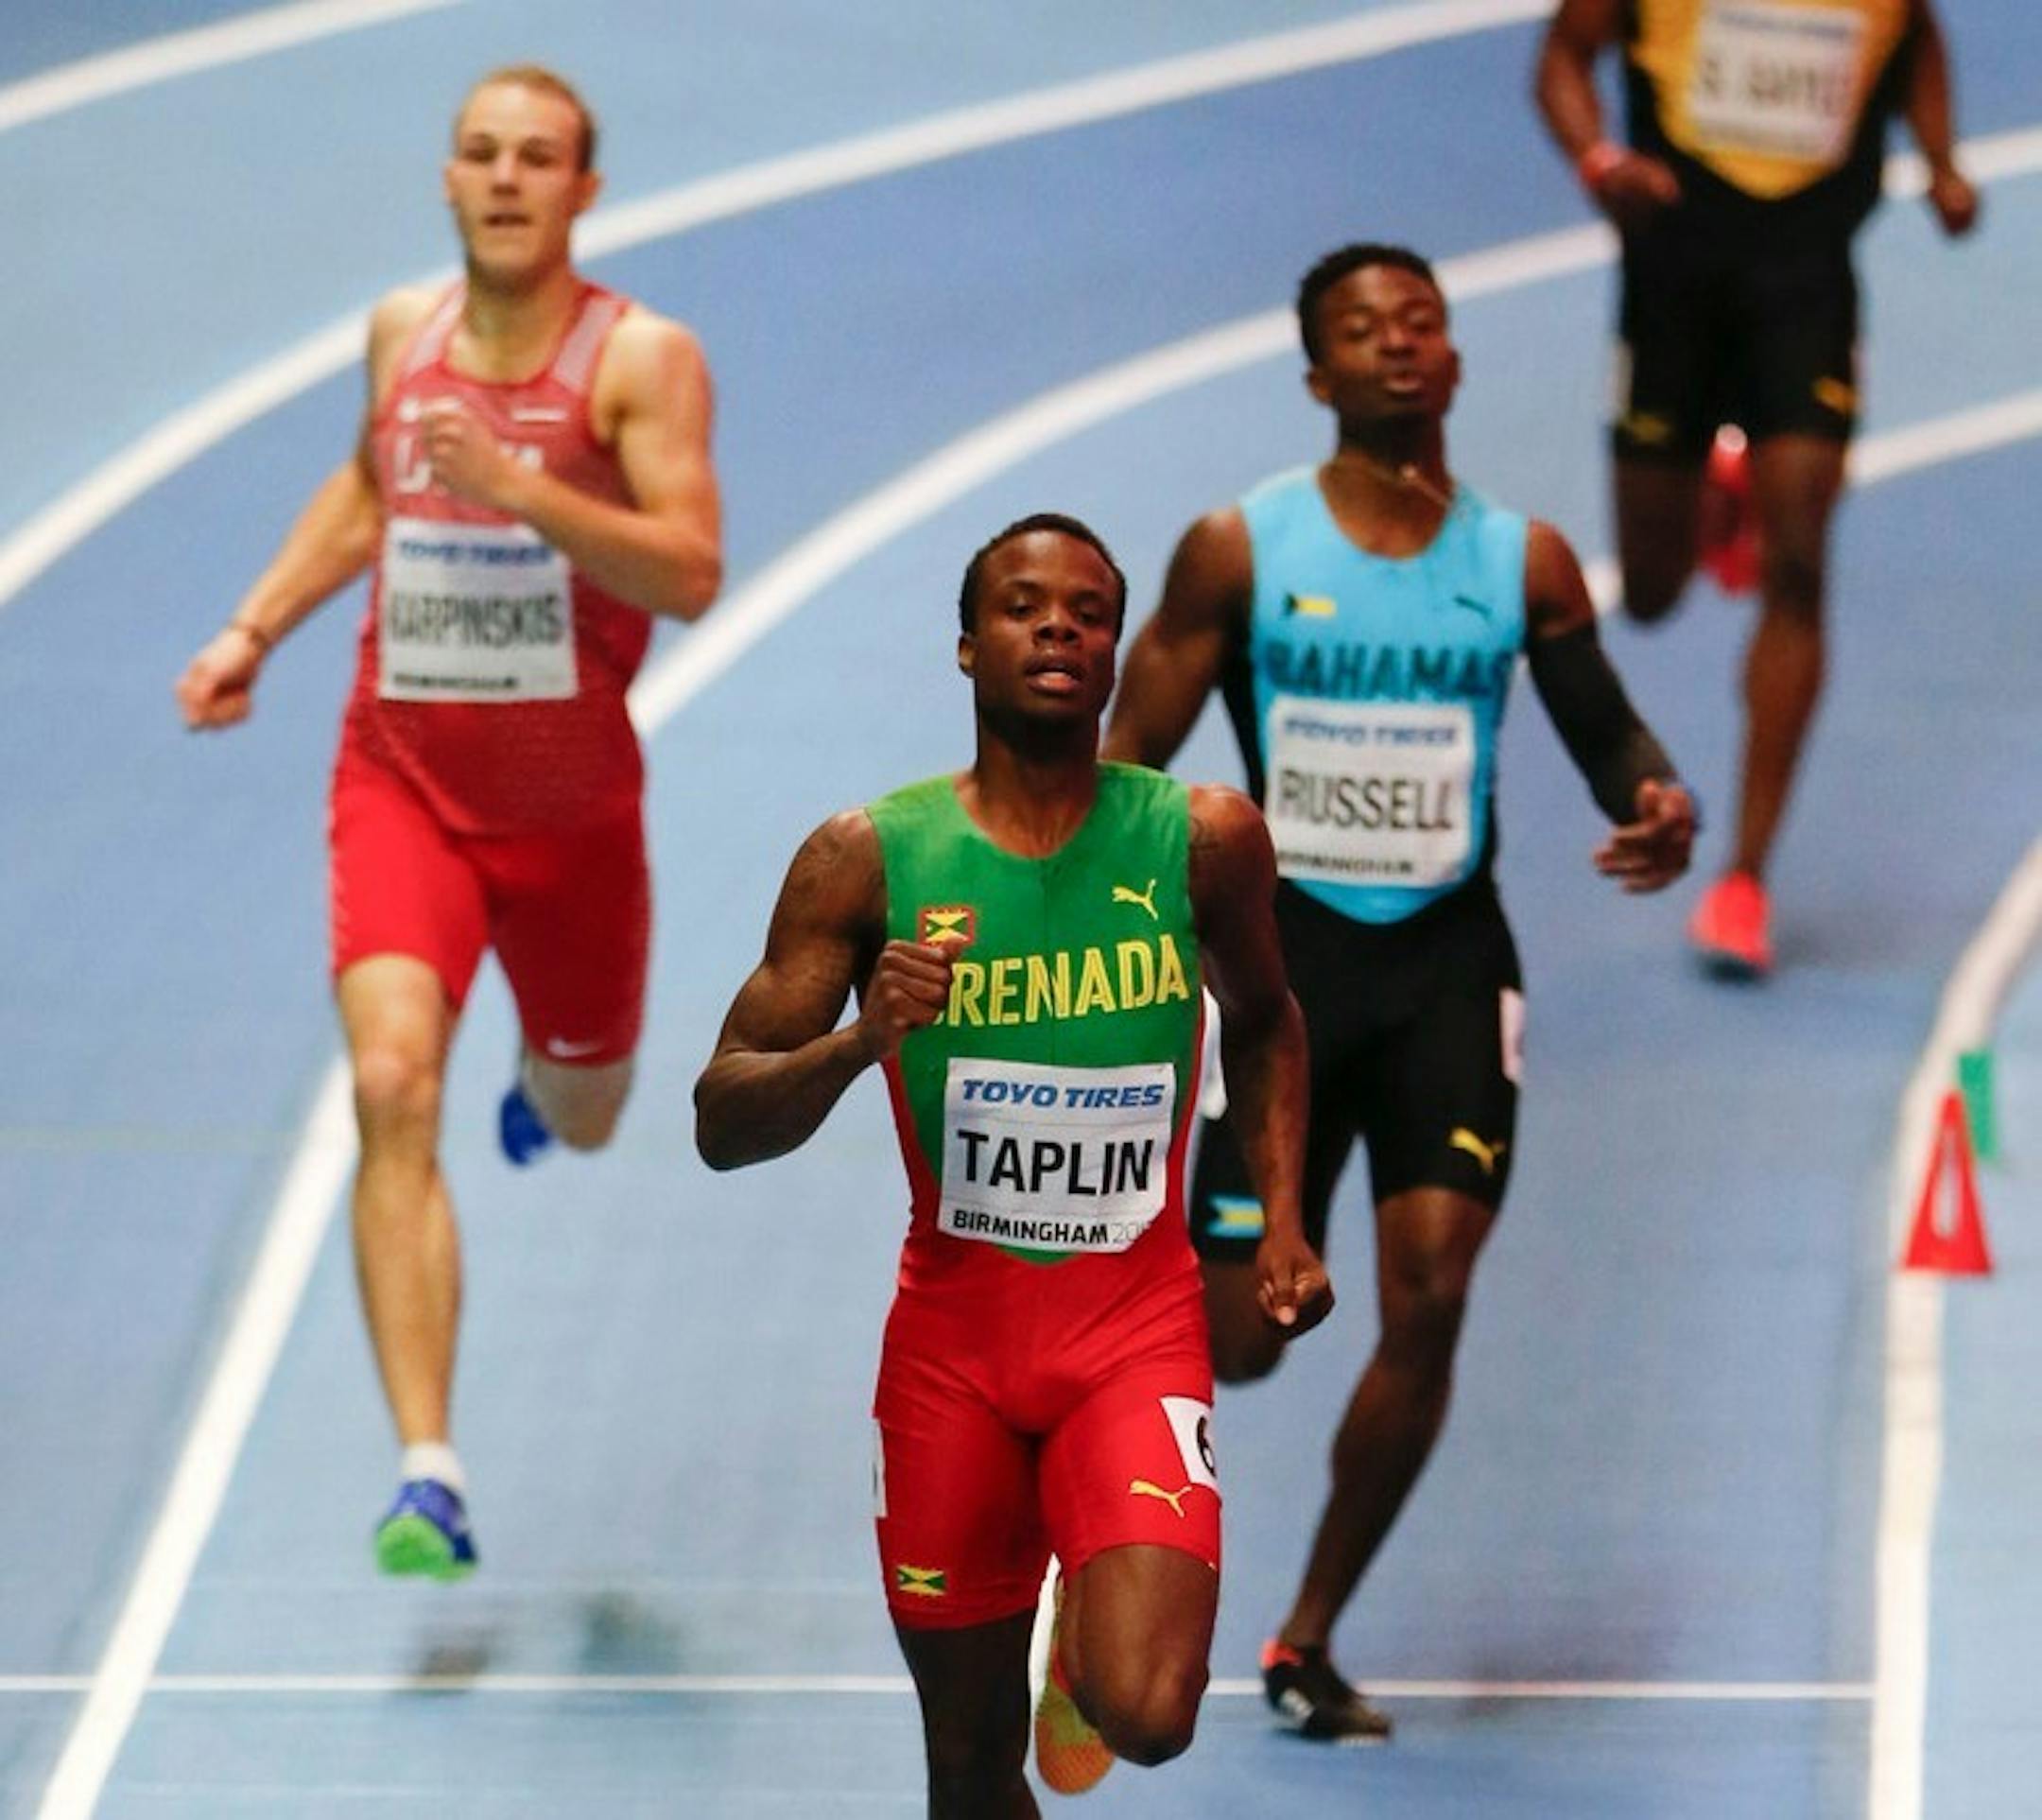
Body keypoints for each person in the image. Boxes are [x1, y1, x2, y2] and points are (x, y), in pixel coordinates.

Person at [1101, 244, 1696, 1740]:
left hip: (1445, 965)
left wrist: (1655, 797)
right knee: (1240, 1341)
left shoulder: (1524, 562)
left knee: (1430, 1292)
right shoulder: (1241, 551)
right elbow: (1122, 769)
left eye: (1420, 323)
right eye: (1363, 331)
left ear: (1454, 358)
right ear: (1319, 376)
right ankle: (1096, 1530)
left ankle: (1304, 1636)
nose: (1397, 347)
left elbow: (1605, 729)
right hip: (1276, 973)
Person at [173, 65, 722, 1578]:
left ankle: (550, 1095)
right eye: (479, 153)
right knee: (393, 1080)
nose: (503, 179)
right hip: (401, 780)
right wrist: (253, 629)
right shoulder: (398, 337)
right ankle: (428, 1468)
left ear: (583, 192)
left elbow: (689, 574)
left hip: (572, 820)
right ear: (447, 176)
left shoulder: (639, 361)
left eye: (537, 158)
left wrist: (531, 494)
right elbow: (371, 490)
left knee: (594, 1110)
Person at [694, 514, 1332, 1812]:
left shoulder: (1202, 838)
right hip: (953, 1353)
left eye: (1090, 611)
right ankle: (1056, 1619)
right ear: (968, 647)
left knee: (1145, 1713)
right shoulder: (865, 859)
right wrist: (865, 1038)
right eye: (1025, 607)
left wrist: (1282, 1219)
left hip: (1134, 1331)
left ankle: (1083, 1639)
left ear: (1115, 652)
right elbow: (722, 1116)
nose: (1059, 627)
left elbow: (1267, 1018)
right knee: (971, 1772)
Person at [1535, 0, 1978, 976]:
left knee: (1803, 566)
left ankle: (1744, 878)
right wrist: (1601, 161)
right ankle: (1718, 490)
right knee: (1649, 594)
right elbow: (1564, 57)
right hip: (1670, 280)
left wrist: (1941, 160)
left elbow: (1920, 42)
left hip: (1807, 283)